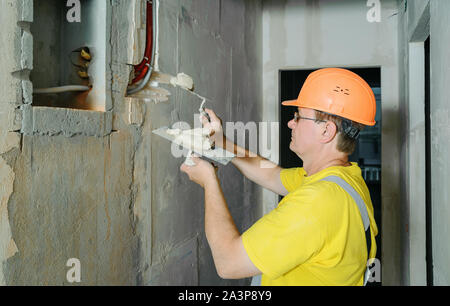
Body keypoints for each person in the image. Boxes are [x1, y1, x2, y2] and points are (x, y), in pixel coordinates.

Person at [180, 68, 378, 286]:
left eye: (298, 117)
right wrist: (222, 142)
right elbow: (272, 175)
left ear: (326, 131)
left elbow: (228, 262)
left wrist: (209, 181)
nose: (290, 123)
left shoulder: (317, 202)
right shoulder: (343, 180)